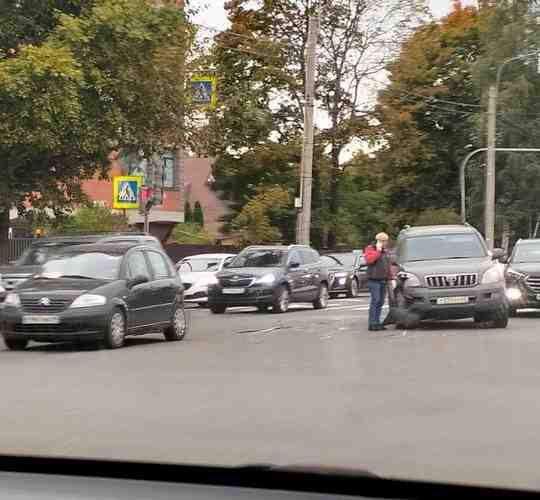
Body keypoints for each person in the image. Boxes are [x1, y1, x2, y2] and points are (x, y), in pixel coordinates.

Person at [364, 232, 392, 331]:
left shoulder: (386, 251)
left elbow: (387, 265)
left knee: (380, 302)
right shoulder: (370, 249)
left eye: (385, 241)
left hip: (383, 279)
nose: (385, 243)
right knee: (375, 301)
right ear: (378, 241)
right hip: (374, 280)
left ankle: (377, 322)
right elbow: (369, 260)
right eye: (383, 241)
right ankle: (372, 323)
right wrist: (378, 251)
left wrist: (391, 278)